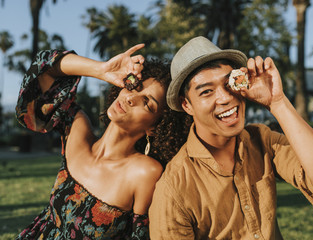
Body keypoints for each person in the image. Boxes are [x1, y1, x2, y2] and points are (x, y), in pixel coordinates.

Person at [148, 36, 313, 239]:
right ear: (186, 105)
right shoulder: (173, 190)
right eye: (207, 92)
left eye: (229, 84)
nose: (225, 98)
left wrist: (277, 102)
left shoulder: (261, 139)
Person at [14, 44, 187, 239]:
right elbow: (40, 75)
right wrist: (101, 70)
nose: (131, 98)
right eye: (134, 86)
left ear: (155, 127)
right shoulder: (77, 129)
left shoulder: (144, 172)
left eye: (147, 102)